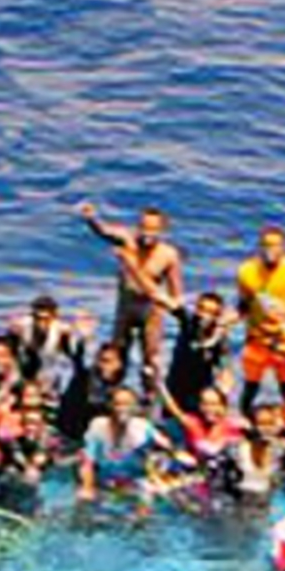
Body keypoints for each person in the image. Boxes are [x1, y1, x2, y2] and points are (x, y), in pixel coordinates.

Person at [79, 202, 184, 395]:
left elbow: (176, 295)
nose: (147, 233)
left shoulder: (169, 255)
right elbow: (103, 231)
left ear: (162, 230)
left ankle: (150, 397)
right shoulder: (127, 240)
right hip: (126, 308)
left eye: (153, 229)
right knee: (117, 355)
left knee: (150, 360)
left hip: (151, 311)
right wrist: (91, 218)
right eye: (144, 227)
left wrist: (172, 305)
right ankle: (110, 394)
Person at [235, 226, 285, 418]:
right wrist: (227, 321)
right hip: (257, 338)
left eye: (275, 245)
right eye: (266, 245)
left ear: (284, 248)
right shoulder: (246, 271)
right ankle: (246, 421)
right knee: (250, 387)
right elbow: (244, 303)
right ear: (259, 247)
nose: (270, 250)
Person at [76, 388, 161, 502]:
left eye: (128, 404)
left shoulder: (144, 428)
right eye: (118, 404)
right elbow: (88, 461)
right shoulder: (98, 426)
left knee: (148, 494)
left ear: (135, 407)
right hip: (105, 485)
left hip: (137, 486)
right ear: (110, 406)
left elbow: (167, 450)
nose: (122, 408)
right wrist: (87, 487)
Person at [162, 290, 235, 412]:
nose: (204, 315)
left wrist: (224, 393)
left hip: (199, 395)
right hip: (175, 388)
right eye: (201, 309)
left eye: (211, 312)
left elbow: (225, 368)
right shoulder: (187, 322)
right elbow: (161, 298)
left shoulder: (219, 339)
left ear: (217, 316)